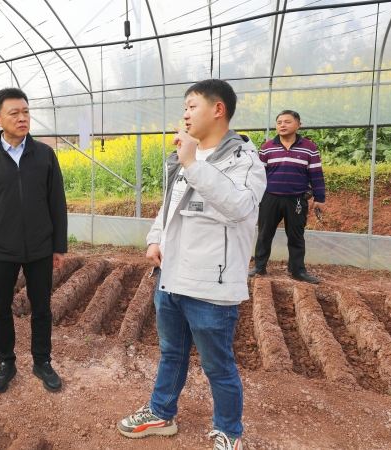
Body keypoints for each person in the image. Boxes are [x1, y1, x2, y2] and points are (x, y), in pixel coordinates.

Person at [116, 79, 266, 450]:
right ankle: (160, 413)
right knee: (171, 354)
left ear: (218, 109)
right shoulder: (187, 156)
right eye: (184, 107)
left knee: (218, 365)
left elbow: (239, 207)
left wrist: (192, 163)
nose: (185, 114)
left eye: (192, 106)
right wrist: (155, 238)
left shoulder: (244, 159)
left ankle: (228, 432)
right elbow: (170, 205)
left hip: (211, 286)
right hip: (171, 278)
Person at [0, 87, 68, 394]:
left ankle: (42, 361)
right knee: (1, 309)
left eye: (26, 111)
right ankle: (6, 363)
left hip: (40, 248)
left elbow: (57, 203)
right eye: (14, 113)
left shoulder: (45, 155)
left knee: (42, 308)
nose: (22, 118)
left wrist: (59, 246)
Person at [249, 110, 326, 284]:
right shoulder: (267, 147)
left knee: (296, 235)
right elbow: (258, 175)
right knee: (264, 234)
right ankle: (259, 267)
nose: (282, 125)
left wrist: (320, 198)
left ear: (298, 125)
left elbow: (316, 174)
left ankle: (297, 270)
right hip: (270, 198)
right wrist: (256, 196)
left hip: (297, 198)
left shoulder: (309, 148)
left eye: (287, 122)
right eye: (279, 122)